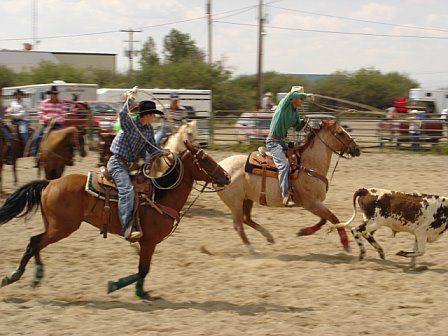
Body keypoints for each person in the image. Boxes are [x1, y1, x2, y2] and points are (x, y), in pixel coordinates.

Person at [107, 87, 167, 241]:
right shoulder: (130, 124)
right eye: (153, 115)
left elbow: (152, 148)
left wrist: (164, 153)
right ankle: (127, 227)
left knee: (146, 188)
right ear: (146, 115)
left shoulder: (147, 130)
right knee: (126, 190)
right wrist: (130, 99)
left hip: (129, 166)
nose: (154, 118)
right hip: (117, 163)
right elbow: (122, 114)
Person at [266, 87, 309, 207]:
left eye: (303, 99)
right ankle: (285, 195)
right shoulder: (284, 105)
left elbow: (297, 127)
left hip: (281, 142)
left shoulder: (295, 113)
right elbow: (290, 95)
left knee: (296, 161)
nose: (302, 101)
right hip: (273, 142)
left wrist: (304, 122)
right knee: (284, 165)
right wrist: (306, 94)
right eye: (301, 98)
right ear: (294, 98)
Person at [30, 85, 72, 166]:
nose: (54, 95)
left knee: (68, 137)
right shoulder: (44, 103)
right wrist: (47, 118)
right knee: (37, 137)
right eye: (53, 94)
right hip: (46, 124)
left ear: (57, 94)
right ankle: (36, 157)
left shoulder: (61, 103)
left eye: (55, 94)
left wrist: (56, 119)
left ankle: (69, 157)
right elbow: (40, 113)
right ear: (50, 94)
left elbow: (64, 115)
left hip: (58, 124)